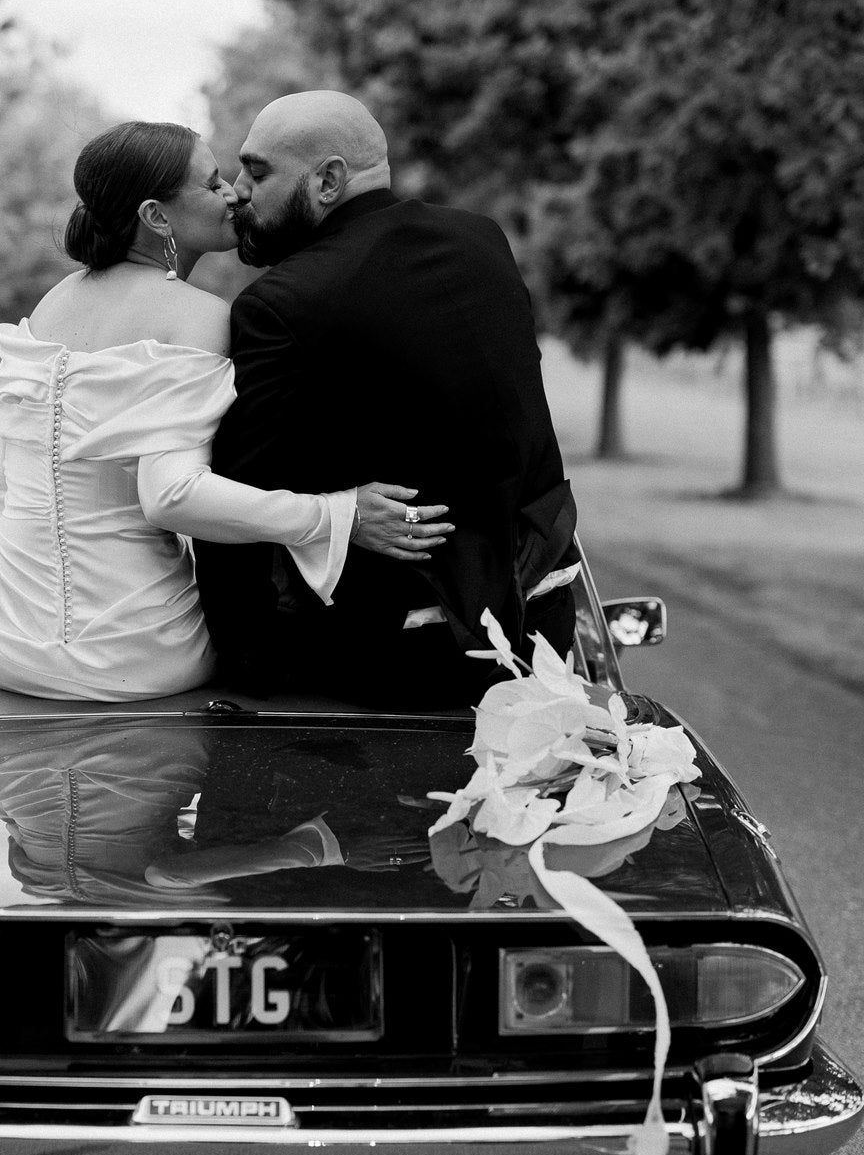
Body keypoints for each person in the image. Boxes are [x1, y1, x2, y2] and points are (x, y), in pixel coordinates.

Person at [0, 119, 451, 702]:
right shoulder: (194, 315)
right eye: (211, 185)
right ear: (156, 216)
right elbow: (171, 496)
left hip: (8, 646)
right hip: (137, 650)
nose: (234, 192)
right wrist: (337, 516)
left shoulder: (53, 303)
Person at [194, 90, 579, 707]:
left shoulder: (282, 304)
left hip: (392, 665)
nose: (239, 190)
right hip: (542, 627)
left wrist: (245, 666)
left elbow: (241, 505)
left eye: (257, 170)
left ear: (328, 180)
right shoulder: (482, 242)